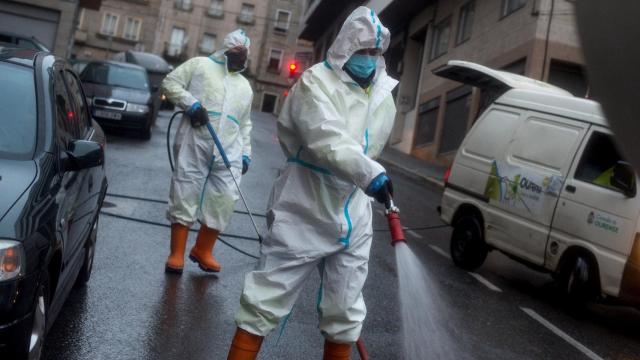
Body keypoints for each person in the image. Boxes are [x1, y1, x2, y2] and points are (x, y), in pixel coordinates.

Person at [227, 7, 398, 360]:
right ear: (346, 47)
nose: (368, 59)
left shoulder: (383, 93)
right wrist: (370, 173)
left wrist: (367, 177)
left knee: (346, 311)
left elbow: (371, 143)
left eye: (374, 52)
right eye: (362, 50)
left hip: (353, 209)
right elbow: (326, 138)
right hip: (304, 202)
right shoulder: (315, 83)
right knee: (265, 298)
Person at [161, 29, 253, 275]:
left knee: (224, 199)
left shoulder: (245, 87)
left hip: (229, 151)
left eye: (243, 53)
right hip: (195, 141)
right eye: (235, 51)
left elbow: (245, 124)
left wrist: (246, 153)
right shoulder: (200, 65)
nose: (239, 56)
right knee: (185, 191)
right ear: (225, 49)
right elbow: (170, 83)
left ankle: (203, 250)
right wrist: (190, 104)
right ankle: (177, 253)